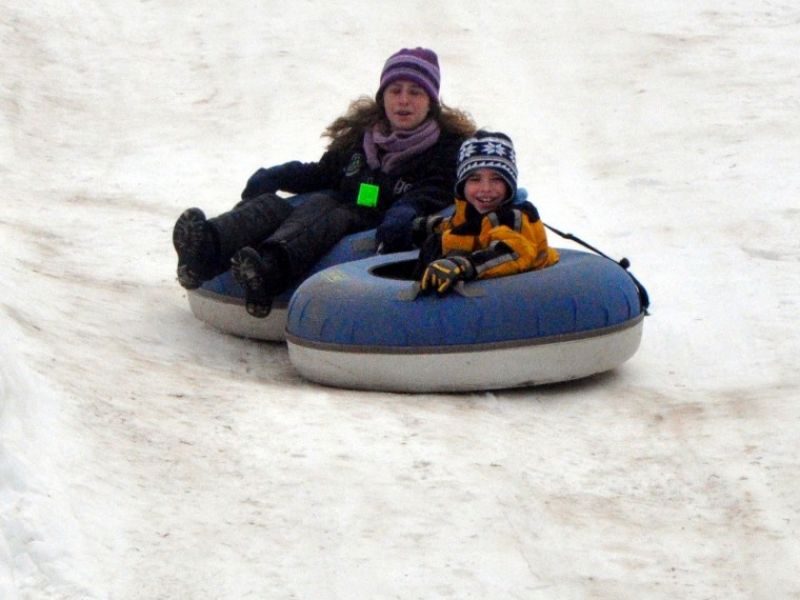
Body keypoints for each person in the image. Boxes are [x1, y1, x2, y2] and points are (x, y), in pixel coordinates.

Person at [172, 47, 476, 317]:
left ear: (431, 102)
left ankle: (268, 272)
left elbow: (436, 189)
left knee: (325, 208)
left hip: (379, 225)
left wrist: (407, 209)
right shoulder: (364, 136)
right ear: (382, 96)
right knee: (274, 207)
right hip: (343, 205)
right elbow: (324, 172)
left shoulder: (445, 148)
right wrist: (277, 175)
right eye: (395, 90)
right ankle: (204, 249)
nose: (404, 101)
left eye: (415, 92)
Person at [411, 130, 560, 295]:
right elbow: (455, 226)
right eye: (475, 179)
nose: (486, 189)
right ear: (463, 185)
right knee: (436, 242)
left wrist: (463, 265)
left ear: (509, 184)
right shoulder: (468, 209)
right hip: (483, 285)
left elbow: (512, 252)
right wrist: (423, 225)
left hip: (519, 292)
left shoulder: (513, 217)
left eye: (496, 179)